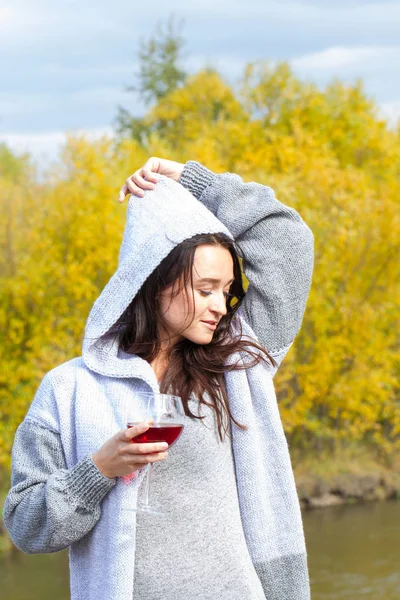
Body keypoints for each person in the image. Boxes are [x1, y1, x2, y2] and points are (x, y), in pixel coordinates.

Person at [3, 157, 314, 600]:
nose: (220, 306)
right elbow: (26, 525)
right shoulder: (68, 388)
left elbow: (289, 240)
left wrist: (193, 181)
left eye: (226, 292)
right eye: (205, 289)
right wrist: (99, 470)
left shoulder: (237, 364)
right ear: (152, 281)